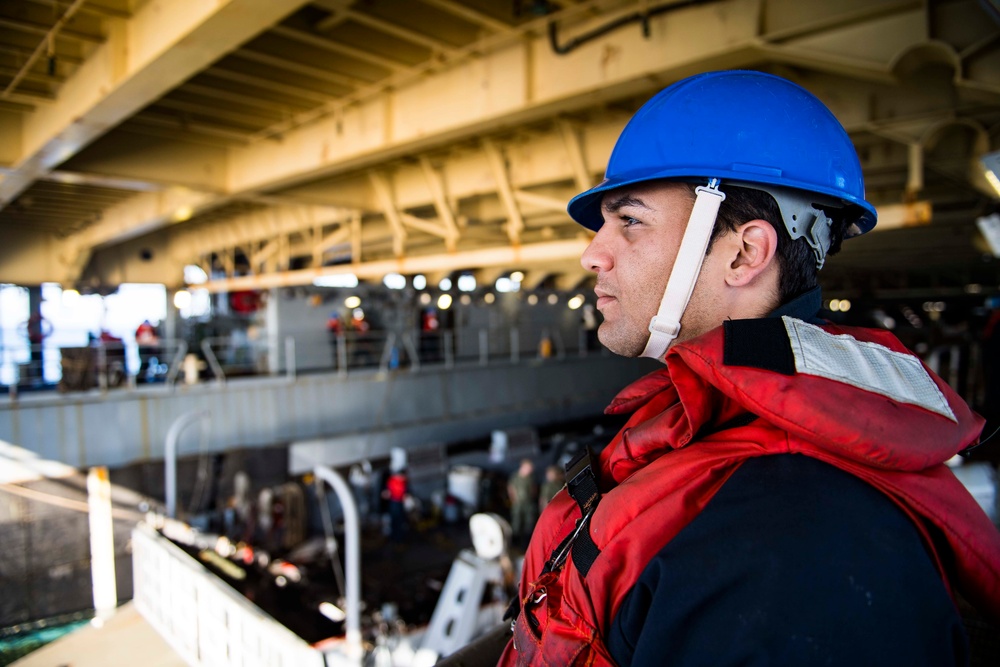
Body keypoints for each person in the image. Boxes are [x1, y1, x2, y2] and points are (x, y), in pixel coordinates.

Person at [498, 70, 1000, 666]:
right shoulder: (723, 442)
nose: (591, 252)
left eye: (628, 220)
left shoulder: (798, 546)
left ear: (744, 252)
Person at [506, 459, 537, 546]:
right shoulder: (515, 477)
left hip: (528, 502)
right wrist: (513, 498)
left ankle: (526, 540)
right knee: (517, 520)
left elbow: (533, 489)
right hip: (518, 502)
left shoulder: (530, 478)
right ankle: (515, 540)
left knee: (529, 521)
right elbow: (511, 487)